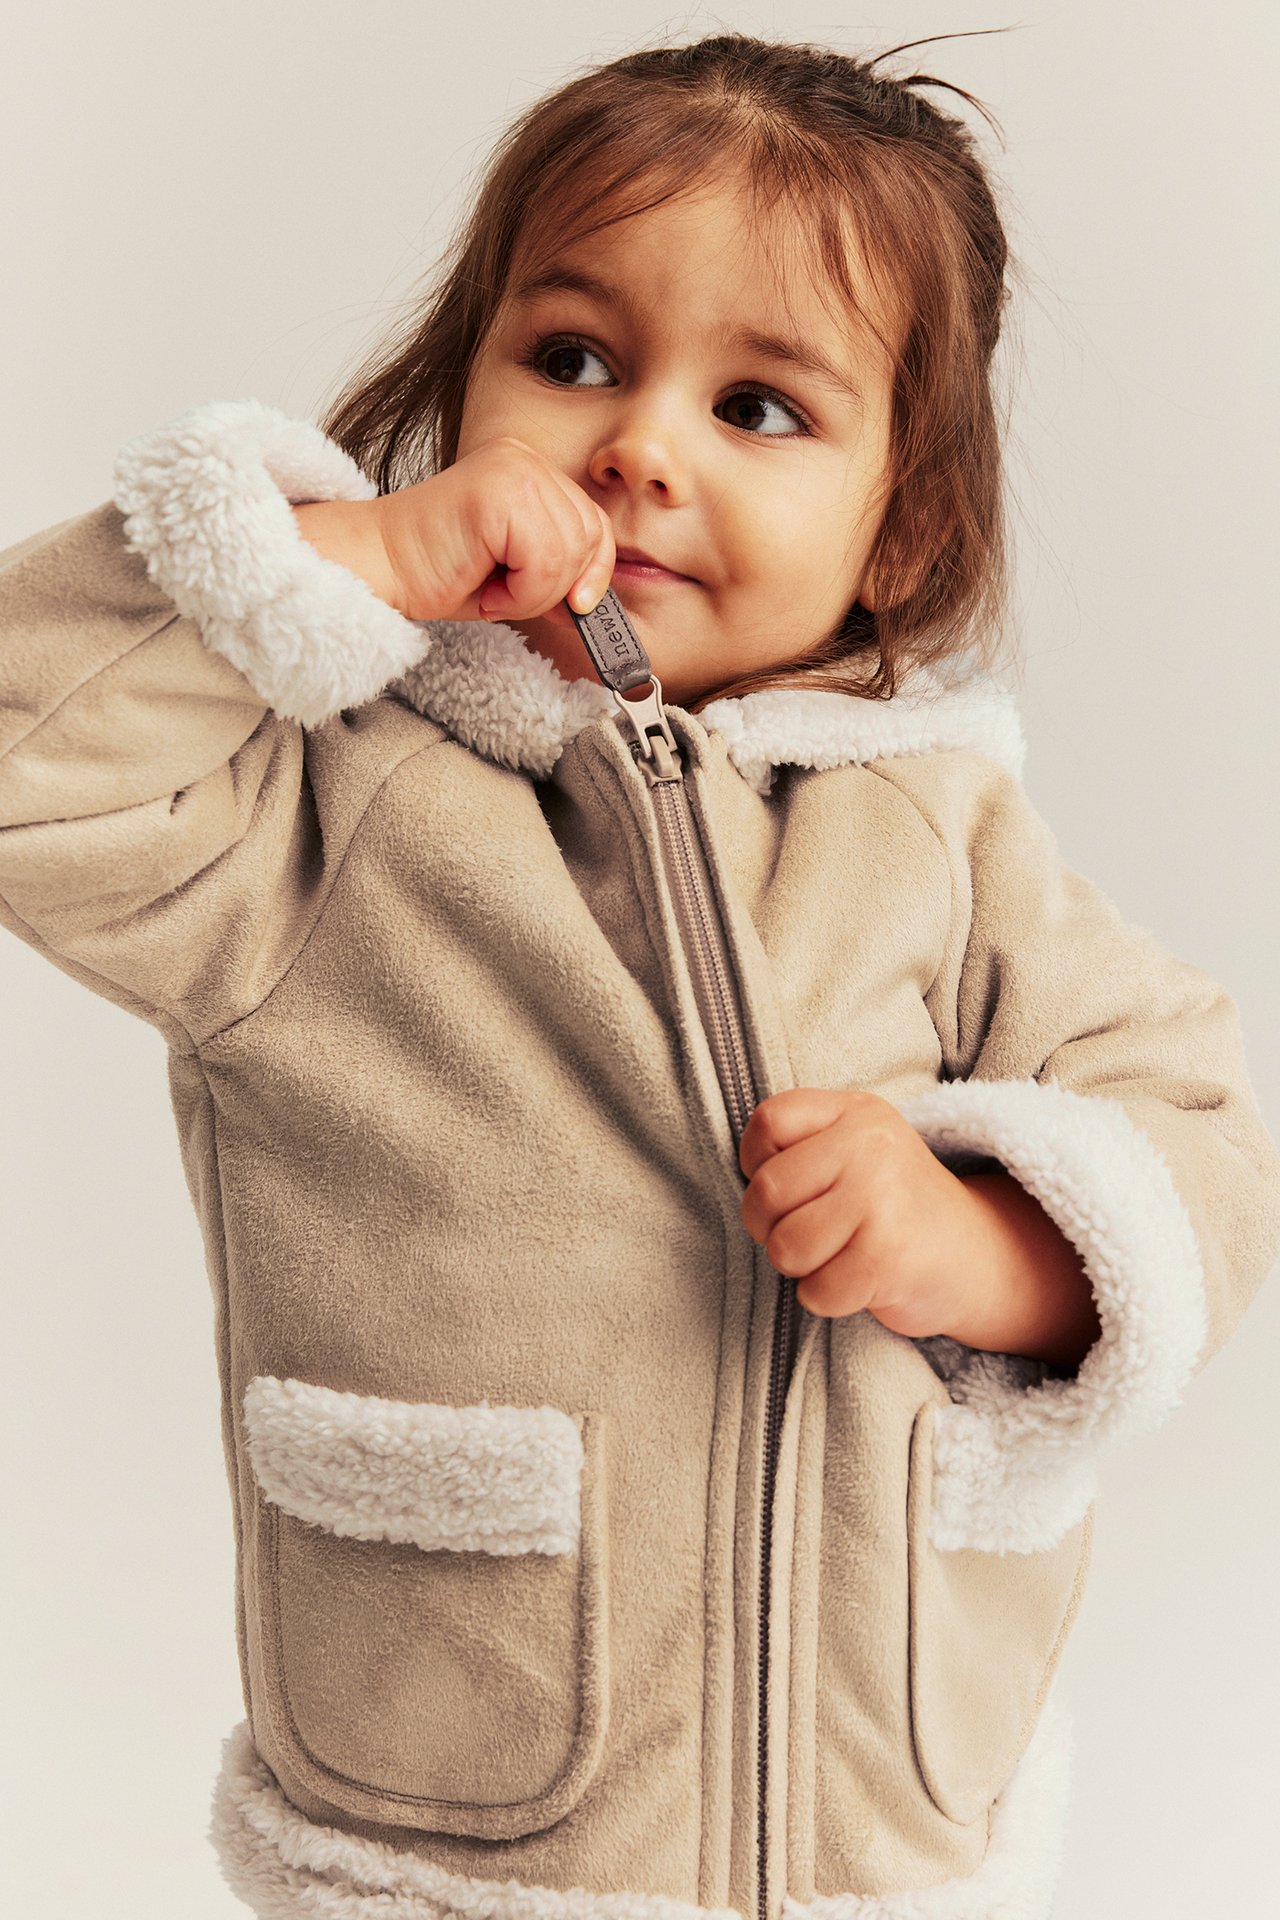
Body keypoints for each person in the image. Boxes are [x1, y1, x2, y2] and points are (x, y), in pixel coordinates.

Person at [2, 30, 1277, 1920]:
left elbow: (1202, 1136)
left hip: (880, 1829)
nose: (640, 443)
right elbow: (35, 755)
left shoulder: (940, 835)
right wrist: (326, 562)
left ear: (901, 523)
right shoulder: (319, 799)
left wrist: (981, 1242)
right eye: (574, 358)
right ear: (466, 392)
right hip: (457, 1819)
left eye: (760, 406)